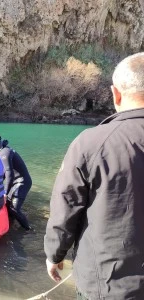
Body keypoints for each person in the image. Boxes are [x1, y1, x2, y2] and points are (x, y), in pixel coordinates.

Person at [44, 52, 144, 300]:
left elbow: (66, 205)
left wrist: (54, 255)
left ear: (116, 94)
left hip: (109, 286)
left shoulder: (92, 143)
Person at [0, 133, 32, 230]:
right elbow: (4, 173)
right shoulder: (2, 151)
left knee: (14, 209)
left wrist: (5, 192)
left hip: (22, 182)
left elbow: (9, 174)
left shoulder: (4, 153)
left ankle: (29, 229)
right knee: (7, 205)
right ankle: (11, 225)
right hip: (15, 182)